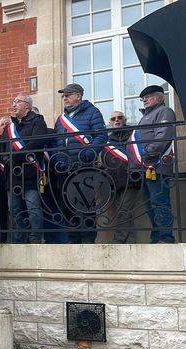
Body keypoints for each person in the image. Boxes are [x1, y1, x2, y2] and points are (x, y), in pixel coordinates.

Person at [52, 83, 106, 244]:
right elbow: (56, 143)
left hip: (84, 166)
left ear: (78, 95)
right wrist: (56, 159)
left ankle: (88, 239)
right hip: (64, 168)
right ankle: (73, 238)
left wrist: (90, 153)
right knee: (68, 206)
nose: (65, 98)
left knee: (86, 205)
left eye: (68, 95)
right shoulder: (61, 120)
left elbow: (101, 137)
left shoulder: (93, 112)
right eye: (63, 96)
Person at [0, 94, 47, 244]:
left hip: (30, 173)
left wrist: (16, 156)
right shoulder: (10, 127)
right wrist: (5, 161)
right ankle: (16, 240)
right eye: (13, 102)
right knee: (14, 211)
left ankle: (35, 239)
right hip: (12, 175)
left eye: (17, 102)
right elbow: (1, 147)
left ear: (27, 105)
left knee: (33, 209)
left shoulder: (37, 121)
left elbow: (38, 142)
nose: (13, 105)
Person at [133, 85, 176, 244]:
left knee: (160, 202)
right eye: (143, 98)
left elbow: (162, 138)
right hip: (146, 167)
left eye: (148, 96)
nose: (144, 99)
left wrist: (144, 155)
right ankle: (157, 236)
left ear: (159, 97)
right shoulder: (146, 115)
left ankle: (165, 237)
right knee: (149, 205)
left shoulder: (164, 112)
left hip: (156, 166)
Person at [102, 111, 140, 243]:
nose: (116, 120)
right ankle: (131, 241)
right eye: (113, 118)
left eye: (119, 118)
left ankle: (119, 239)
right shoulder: (106, 141)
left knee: (123, 210)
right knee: (124, 211)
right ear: (110, 123)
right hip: (114, 181)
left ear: (124, 120)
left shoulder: (133, 136)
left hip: (131, 179)